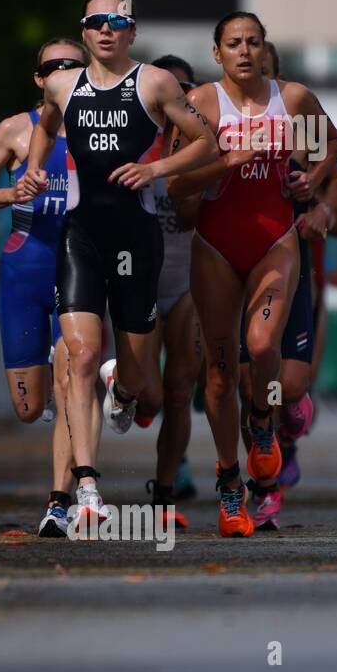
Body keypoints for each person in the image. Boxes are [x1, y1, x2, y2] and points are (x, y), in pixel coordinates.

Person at [22, 0, 220, 532]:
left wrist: (156, 171)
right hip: (81, 236)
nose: (106, 30)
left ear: (131, 31)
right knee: (80, 356)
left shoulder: (154, 82)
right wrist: (36, 171)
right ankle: (86, 489)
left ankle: (124, 388)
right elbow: (43, 126)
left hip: (138, 239)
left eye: (117, 21)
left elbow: (207, 144)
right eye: (95, 22)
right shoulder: (64, 85)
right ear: (84, 31)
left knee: (138, 378)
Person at [168, 12, 337, 537]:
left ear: (263, 48)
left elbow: (331, 144)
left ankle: (263, 426)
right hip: (216, 246)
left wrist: (311, 180)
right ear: (217, 53)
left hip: (275, 241)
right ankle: (228, 483)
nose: (244, 51)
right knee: (220, 375)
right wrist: (225, 162)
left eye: (253, 42)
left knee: (263, 345)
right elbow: (177, 188)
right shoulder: (200, 104)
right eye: (233, 43)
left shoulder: (291, 100)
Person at [0, 38, 96, 537]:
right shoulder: (15, 129)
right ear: (39, 79)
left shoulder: (100, 127)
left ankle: (61, 502)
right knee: (28, 408)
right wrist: (10, 191)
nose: (64, 72)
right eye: (54, 67)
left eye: (74, 66)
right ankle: (60, 412)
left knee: (72, 383)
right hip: (24, 269)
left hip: (78, 268)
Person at [131, 55, 200, 528]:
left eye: (185, 91)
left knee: (179, 393)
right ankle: (130, 394)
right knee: (151, 397)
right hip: (144, 284)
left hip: (190, 284)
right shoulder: (135, 144)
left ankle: (165, 491)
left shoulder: (205, 145)